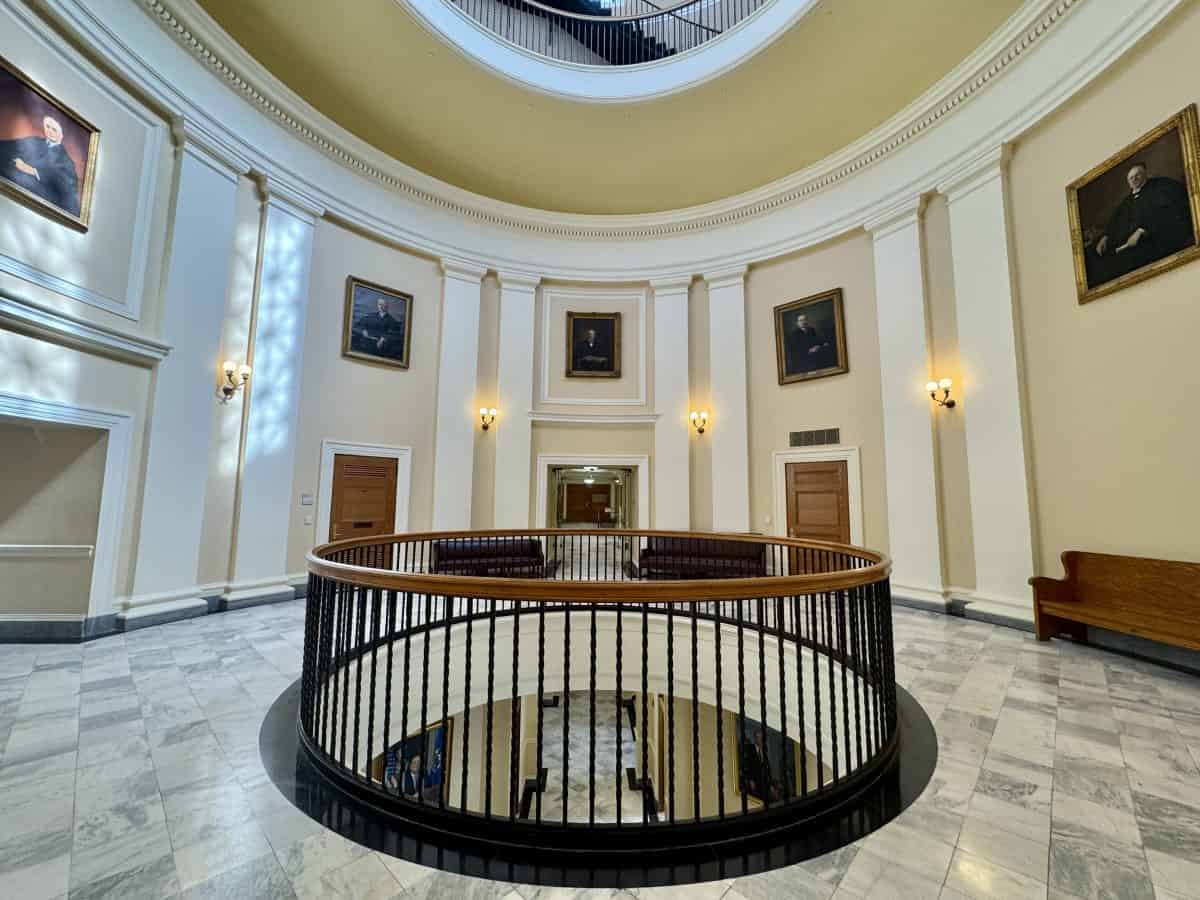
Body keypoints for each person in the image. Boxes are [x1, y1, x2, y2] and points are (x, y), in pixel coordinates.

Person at [1089, 161, 1194, 284]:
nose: (1134, 179)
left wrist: (1141, 231)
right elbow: (1115, 220)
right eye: (1131, 178)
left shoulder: (1159, 187)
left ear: (1145, 175)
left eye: (1137, 175)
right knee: (1093, 253)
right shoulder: (1127, 201)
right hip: (1126, 241)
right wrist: (1106, 236)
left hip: (1153, 238)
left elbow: (1165, 211)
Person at [0, 114, 81, 216]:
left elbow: (66, 186)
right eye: (47, 127)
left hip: (39, 200)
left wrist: (32, 170)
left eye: (54, 129)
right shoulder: (35, 141)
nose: (50, 131)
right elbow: (11, 146)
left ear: (61, 135)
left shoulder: (65, 160)